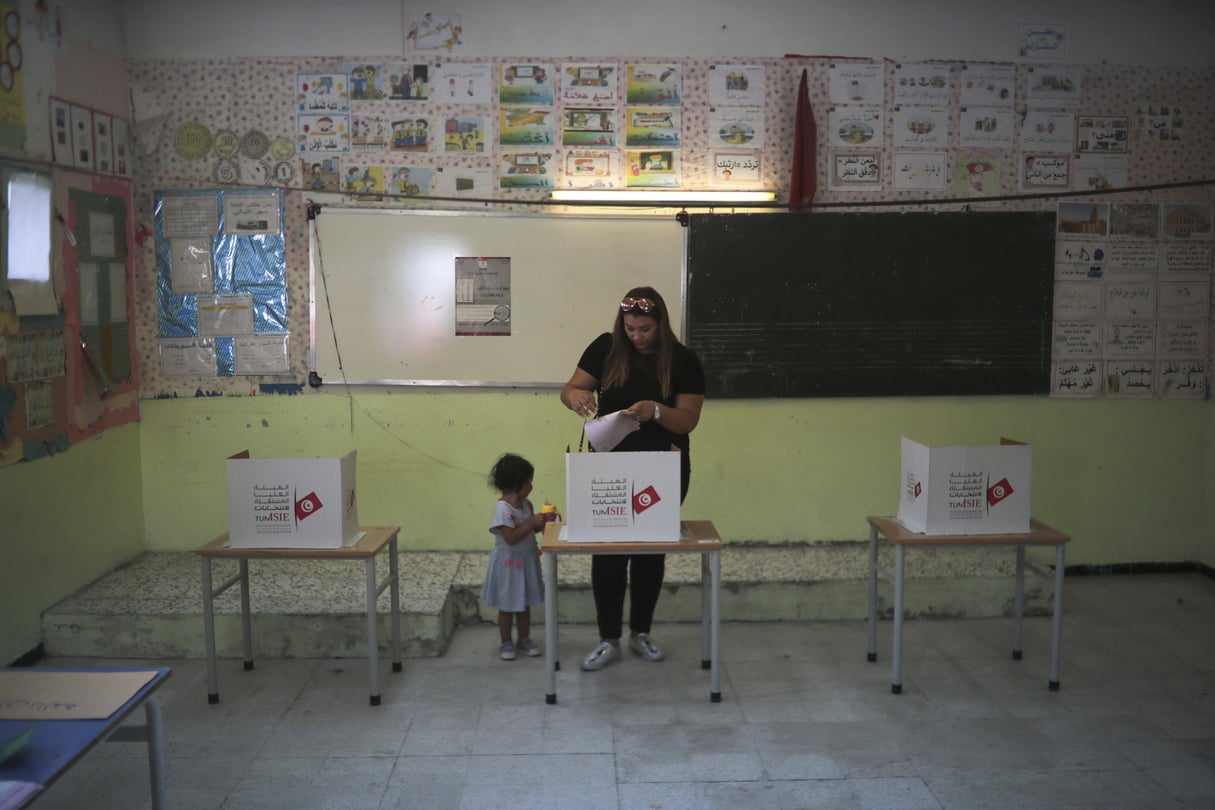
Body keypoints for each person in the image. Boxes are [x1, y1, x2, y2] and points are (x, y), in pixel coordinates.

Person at [560, 286, 705, 671]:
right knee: (606, 553)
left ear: (660, 324)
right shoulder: (606, 347)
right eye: (630, 328)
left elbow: (688, 420)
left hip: (663, 466)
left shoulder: (684, 361)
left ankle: (641, 632)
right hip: (608, 467)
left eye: (644, 329)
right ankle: (608, 639)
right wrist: (575, 397)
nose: (636, 336)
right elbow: (570, 388)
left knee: (649, 551)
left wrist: (656, 411)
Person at [481, 453, 546, 661]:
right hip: (509, 564)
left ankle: (524, 639)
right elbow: (510, 538)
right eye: (528, 481)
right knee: (508, 605)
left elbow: (528, 532)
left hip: (526, 561)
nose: (531, 486)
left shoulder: (526, 504)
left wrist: (542, 524)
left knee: (523, 602)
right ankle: (506, 641)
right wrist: (531, 524)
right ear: (518, 483)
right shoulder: (503, 509)